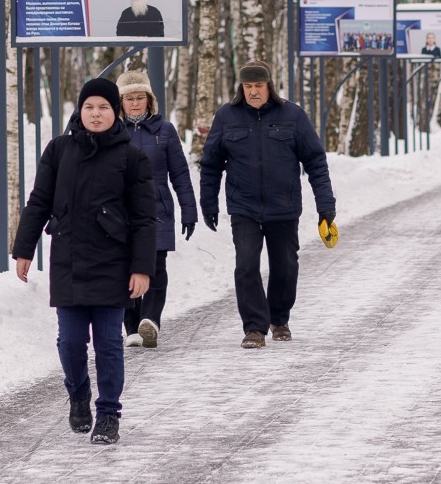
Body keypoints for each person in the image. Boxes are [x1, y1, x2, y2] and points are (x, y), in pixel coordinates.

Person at [12, 78, 157, 445]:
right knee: (71, 344)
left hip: (114, 264)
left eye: (104, 107)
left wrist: (142, 268)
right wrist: (24, 248)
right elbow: (39, 201)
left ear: (116, 112)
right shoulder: (59, 150)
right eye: (89, 107)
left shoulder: (132, 157)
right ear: (80, 110)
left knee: (109, 344)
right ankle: (78, 394)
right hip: (69, 261)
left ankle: (109, 413)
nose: (96, 114)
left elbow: (144, 218)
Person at [199, 60, 337, 349]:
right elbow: (211, 165)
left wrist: (326, 206)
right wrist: (208, 202)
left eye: (258, 86)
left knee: (285, 266)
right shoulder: (227, 116)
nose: (253, 92)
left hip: (283, 207)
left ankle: (279, 317)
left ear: (269, 86)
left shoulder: (293, 115)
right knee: (246, 265)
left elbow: (315, 162)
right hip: (244, 207)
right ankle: (254, 327)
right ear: (241, 88)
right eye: (248, 87)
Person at [117, 69, 198, 349]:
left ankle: (149, 321)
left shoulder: (165, 131)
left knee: (155, 265)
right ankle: (131, 326)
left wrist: (190, 210)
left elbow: (180, 174)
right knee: (124, 268)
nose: (136, 103)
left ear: (150, 100)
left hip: (157, 210)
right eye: (129, 99)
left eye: (140, 97)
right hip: (121, 213)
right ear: (121, 103)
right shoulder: (112, 131)